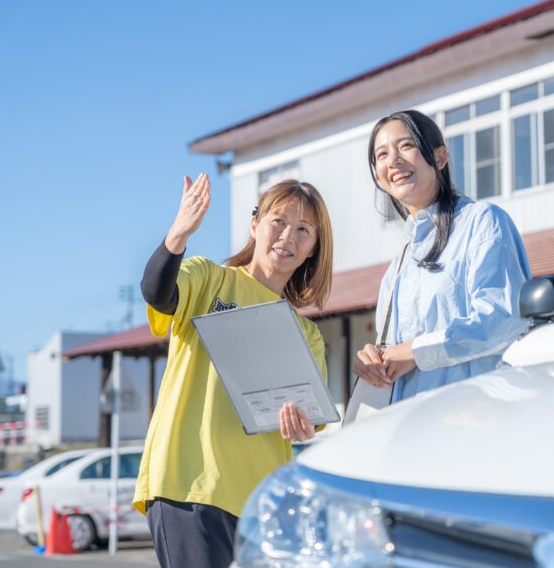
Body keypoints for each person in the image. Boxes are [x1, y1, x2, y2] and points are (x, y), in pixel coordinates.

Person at [134, 173, 333, 568]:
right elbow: (158, 291)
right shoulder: (209, 279)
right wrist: (179, 232)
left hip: (263, 503)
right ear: (255, 224)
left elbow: (310, 416)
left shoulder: (307, 333)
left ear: (312, 249)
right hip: (188, 485)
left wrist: (304, 426)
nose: (288, 236)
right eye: (278, 221)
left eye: (303, 230)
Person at [353, 110, 531, 402]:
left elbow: (501, 320)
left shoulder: (482, 222)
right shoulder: (397, 269)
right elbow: (392, 356)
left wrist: (415, 351)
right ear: (378, 175)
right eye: (381, 154)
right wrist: (372, 363)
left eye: (406, 146)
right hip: (411, 427)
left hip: (476, 420)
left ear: (440, 158)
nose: (393, 160)